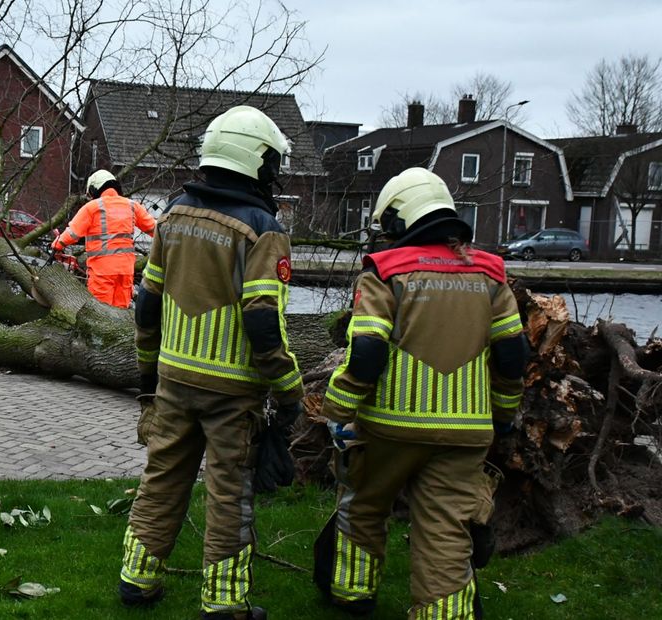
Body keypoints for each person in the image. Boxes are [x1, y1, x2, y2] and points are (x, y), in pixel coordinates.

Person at [313, 167, 528, 619]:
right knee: (447, 527)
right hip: (465, 432)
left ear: (398, 219)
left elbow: (368, 351)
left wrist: (338, 407)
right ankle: (445, 613)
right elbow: (512, 355)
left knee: (364, 504)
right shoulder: (490, 274)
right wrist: (504, 413)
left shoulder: (386, 272)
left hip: (389, 429)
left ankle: (352, 594)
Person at [118, 105, 304, 620]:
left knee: (162, 477)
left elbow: (148, 304)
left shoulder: (173, 216)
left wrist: (147, 381)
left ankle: (137, 578)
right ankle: (224, 604)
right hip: (233, 393)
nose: (275, 174)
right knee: (229, 496)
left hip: (174, 381)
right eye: (272, 164)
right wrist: (290, 391)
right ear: (256, 163)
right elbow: (264, 321)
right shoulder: (263, 230)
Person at [51, 170, 156, 308]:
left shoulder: (92, 207)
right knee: (121, 311)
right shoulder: (132, 206)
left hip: (102, 271)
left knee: (100, 312)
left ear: (94, 189)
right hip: (126, 270)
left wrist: (55, 245)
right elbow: (156, 230)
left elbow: (72, 233)